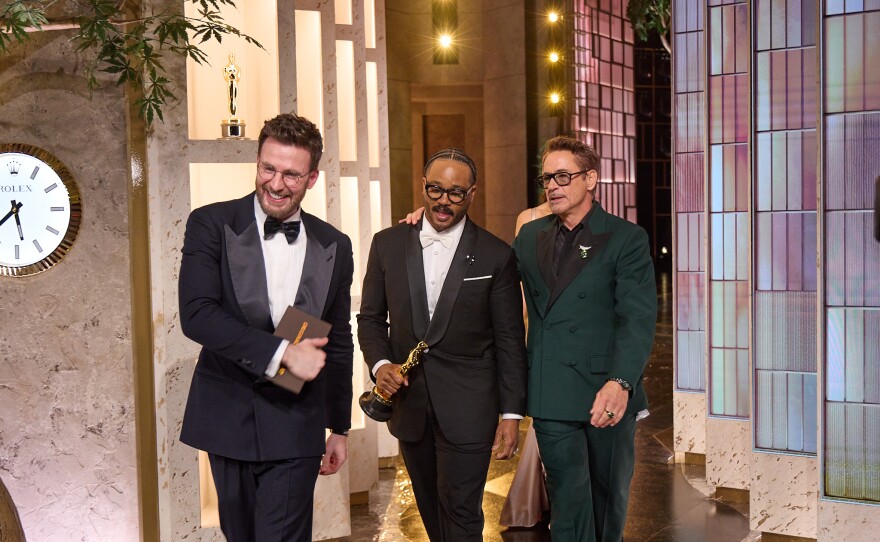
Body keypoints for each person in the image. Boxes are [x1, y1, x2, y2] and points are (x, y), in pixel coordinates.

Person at [178, 113, 354, 542]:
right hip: (228, 412)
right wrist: (281, 353)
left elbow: (339, 339)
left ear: (312, 178)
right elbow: (196, 313)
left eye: (291, 174)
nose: (276, 184)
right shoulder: (211, 224)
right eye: (268, 168)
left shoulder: (334, 244)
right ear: (257, 162)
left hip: (297, 418)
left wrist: (340, 427)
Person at [358, 147, 528, 541]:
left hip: (471, 406)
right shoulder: (387, 244)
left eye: (455, 192)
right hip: (410, 405)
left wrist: (511, 414)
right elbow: (370, 318)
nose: (443, 201)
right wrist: (380, 364)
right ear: (423, 187)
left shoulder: (496, 255)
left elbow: (509, 341)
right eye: (435, 189)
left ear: (472, 194)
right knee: (430, 508)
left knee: (462, 510)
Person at [513, 136, 657, 541]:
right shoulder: (529, 236)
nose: (552, 186)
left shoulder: (625, 237)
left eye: (563, 176)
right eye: (547, 178)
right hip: (551, 391)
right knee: (569, 507)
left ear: (591, 178)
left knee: (607, 502)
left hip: (607, 392)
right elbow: (492, 278)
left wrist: (621, 382)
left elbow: (638, 319)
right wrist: (429, 225)